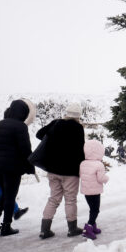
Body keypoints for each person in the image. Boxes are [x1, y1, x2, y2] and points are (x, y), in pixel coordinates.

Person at [0, 97, 35, 232]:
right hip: (12, 167)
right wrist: (30, 166)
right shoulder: (21, 127)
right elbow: (25, 149)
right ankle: (6, 226)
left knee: (5, 193)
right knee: (10, 195)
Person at [37, 102, 86, 239]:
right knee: (70, 200)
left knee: (53, 199)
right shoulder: (78, 128)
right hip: (70, 171)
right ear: (78, 116)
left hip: (53, 169)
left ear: (67, 113)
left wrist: (53, 139)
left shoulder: (56, 123)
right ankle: (72, 228)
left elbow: (39, 134)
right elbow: (80, 150)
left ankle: (44, 229)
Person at [79, 139, 109, 239]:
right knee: (95, 210)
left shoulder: (82, 163)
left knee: (92, 209)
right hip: (95, 192)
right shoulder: (99, 164)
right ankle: (88, 227)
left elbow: (81, 175)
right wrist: (106, 178)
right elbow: (101, 178)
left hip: (86, 192)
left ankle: (93, 227)